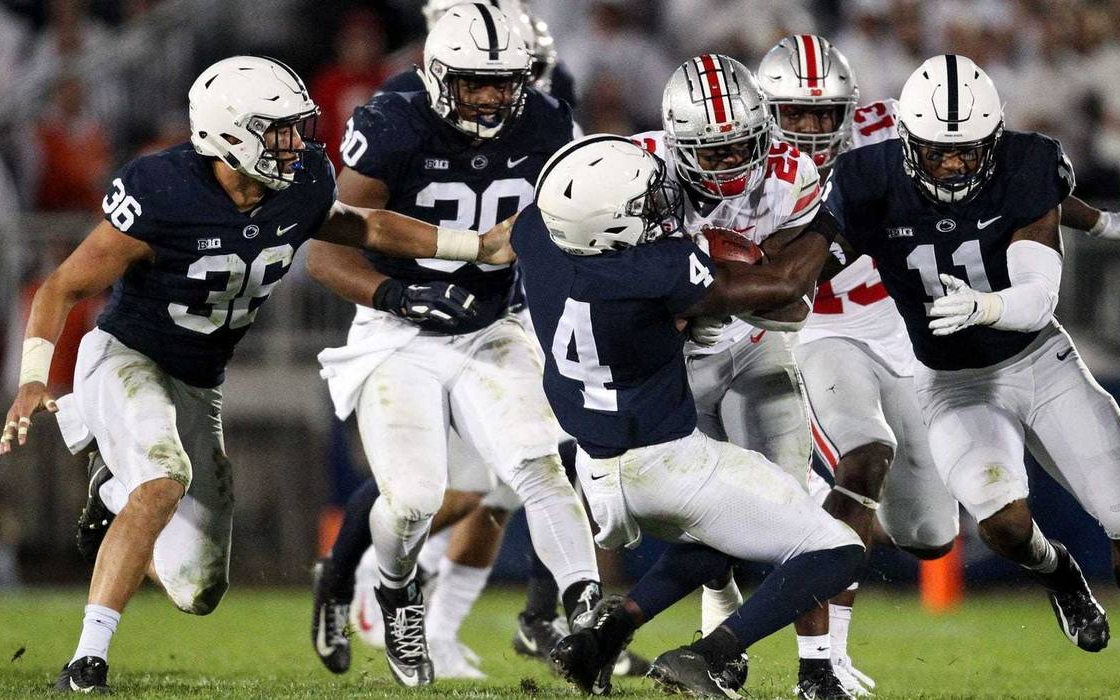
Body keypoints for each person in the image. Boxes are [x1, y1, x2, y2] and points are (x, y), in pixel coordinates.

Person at [0, 54, 515, 694]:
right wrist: (32, 376)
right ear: (230, 131)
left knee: (198, 589)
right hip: (126, 358)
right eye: (279, 130)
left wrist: (476, 245)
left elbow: (365, 225)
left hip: (199, 383)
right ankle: (87, 660)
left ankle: (112, 496)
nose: (297, 143)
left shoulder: (298, 186)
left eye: (298, 127)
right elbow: (62, 286)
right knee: (163, 477)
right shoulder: (163, 191)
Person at [756, 35, 1120, 698]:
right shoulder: (770, 167)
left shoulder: (928, 139)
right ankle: (820, 660)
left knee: (931, 534)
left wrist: (1098, 225)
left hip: (961, 338)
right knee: (870, 464)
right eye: (794, 114)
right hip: (852, 339)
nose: (811, 129)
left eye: (824, 112)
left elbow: (1023, 212)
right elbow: (788, 262)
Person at [315, 0, 610, 679]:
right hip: (398, 329)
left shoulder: (546, 122)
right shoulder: (393, 121)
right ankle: (393, 590)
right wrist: (400, 292)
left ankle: (583, 602)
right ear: (436, 72)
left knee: (537, 464)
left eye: (501, 81)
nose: (487, 97)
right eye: (472, 81)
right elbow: (325, 251)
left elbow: (570, 225)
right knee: (415, 498)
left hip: (492, 324)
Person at [517, 134, 863, 698]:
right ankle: (708, 654)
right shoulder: (660, 268)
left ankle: (608, 630)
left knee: (725, 535)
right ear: (607, 225)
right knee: (836, 550)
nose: (662, 210)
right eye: (646, 204)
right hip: (666, 464)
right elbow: (787, 288)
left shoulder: (537, 236)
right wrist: (830, 223)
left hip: (596, 470)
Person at [628, 48, 821, 665]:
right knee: (694, 508)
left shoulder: (792, 174)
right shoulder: (633, 171)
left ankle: (817, 663)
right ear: (678, 142)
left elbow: (795, 297)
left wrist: (710, 293)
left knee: (789, 503)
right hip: (670, 359)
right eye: (714, 151)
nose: (734, 162)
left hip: (757, 343)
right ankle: (714, 635)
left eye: (744, 145)